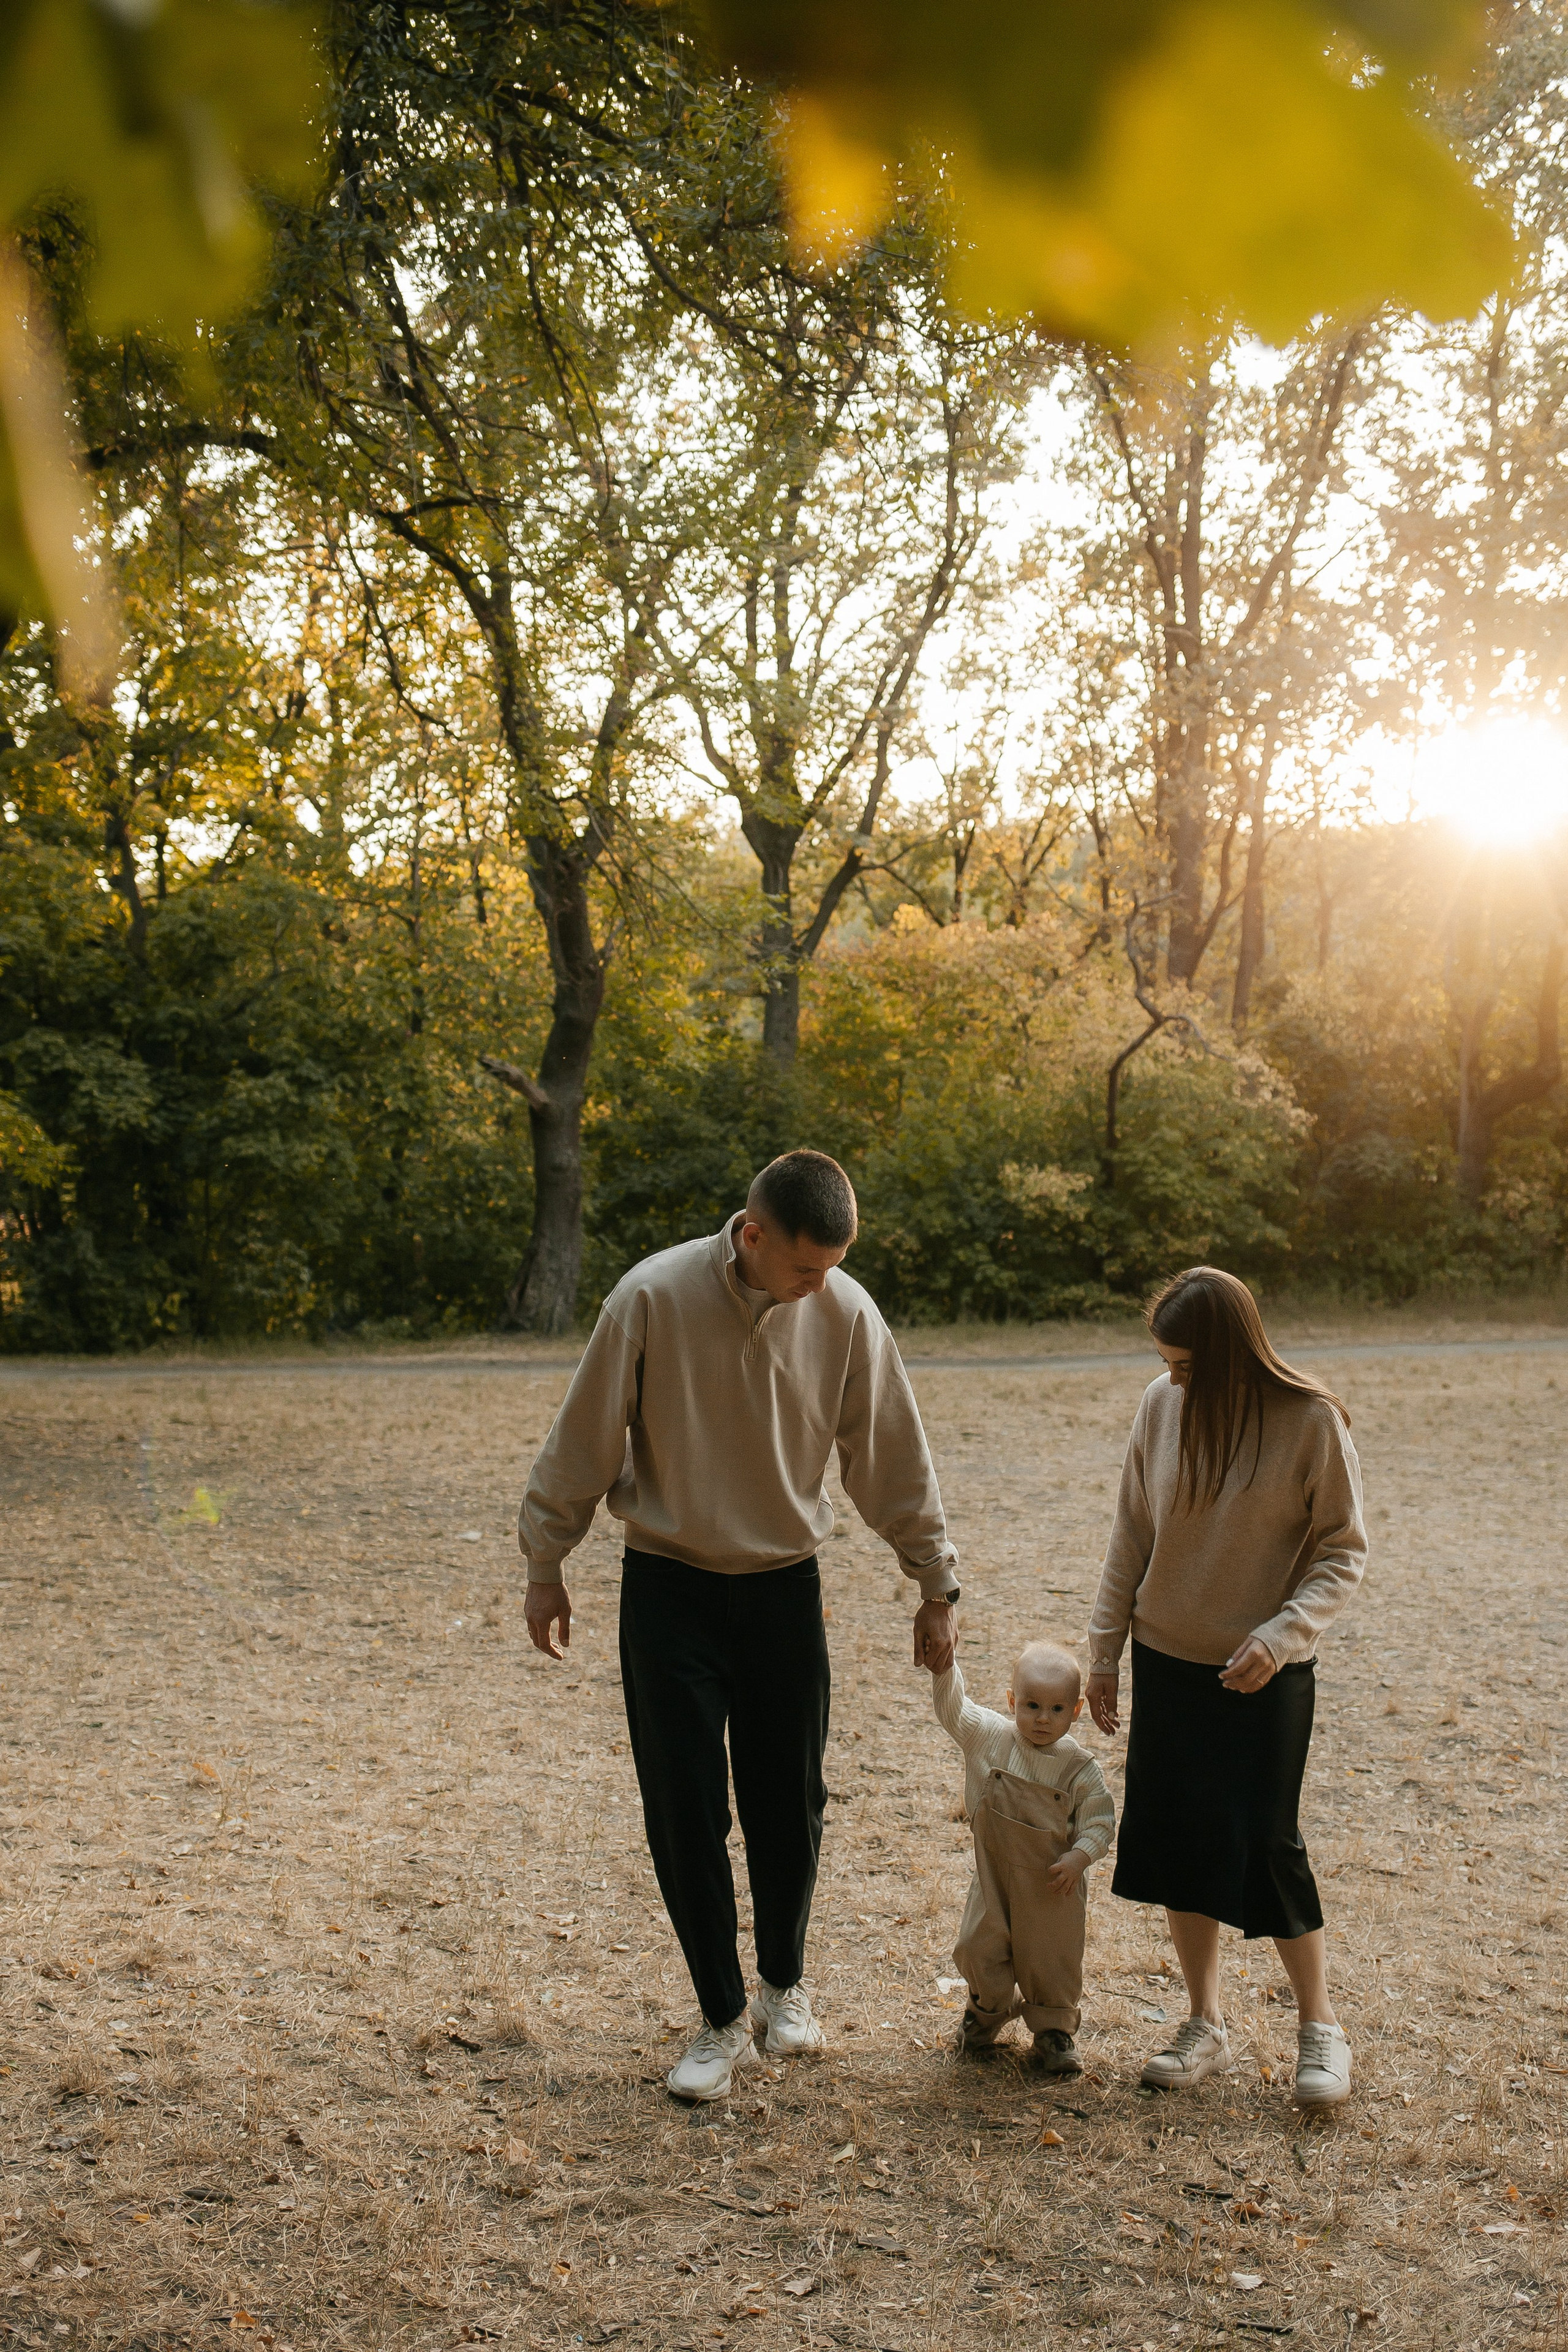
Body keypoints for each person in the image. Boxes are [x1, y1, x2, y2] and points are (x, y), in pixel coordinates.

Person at [518, 1149, 960, 2103]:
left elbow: (891, 1459)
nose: (821, 1284)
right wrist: (545, 1563)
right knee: (684, 1811)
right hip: (668, 1589)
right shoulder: (649, 1299)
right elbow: (583, 1440)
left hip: (781, 1592)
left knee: (788, 1804)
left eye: (834, 1266)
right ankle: (720, 2020)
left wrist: (936, 1582)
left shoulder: (845, 1312)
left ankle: (782, 1987)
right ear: (752, 1235)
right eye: (806, 1267)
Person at [1087, 1265, 1366, 2109]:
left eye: (1184, 1364)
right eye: (1165, 1362)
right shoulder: (1159, 1407)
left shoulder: (1309, 1421)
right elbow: (1131, 1533)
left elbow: (1343, 1550)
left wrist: (1283, 1637)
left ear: (1233, 1354)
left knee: (1267, 1845)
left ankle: (1320, 2028)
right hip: (1166, 1659)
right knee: (1177, 1842)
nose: (1170, 1378)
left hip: (1262, 1675)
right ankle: (1204, 2021)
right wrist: (1103, 1656)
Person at [931, 1640, 1115, 2075]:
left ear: (1075, 1711)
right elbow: (954, 1710)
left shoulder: (1080, 1769)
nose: (1041, 1719)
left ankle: (1054, 2031)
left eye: (1056, 1709)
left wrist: (1080, 1856)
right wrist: (944, 1668)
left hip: (1054, 1887)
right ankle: (986, 2011)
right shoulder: (989, 1735)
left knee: (1052, 1959)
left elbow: (1101, 1822)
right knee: (978, 1947)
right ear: (1012, 1700)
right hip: (994, 1875)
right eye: (1031, 1705)